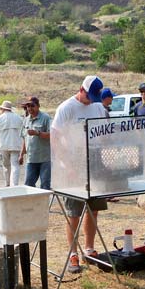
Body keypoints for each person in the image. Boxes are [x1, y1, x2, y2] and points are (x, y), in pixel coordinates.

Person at [52, 75, 108, 273]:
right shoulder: (66, 108)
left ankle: (89, 249)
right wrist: (67, 166)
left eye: (95, 96)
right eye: (89, 96)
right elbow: (55, 139)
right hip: (72, 163)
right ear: (81, 89)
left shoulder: (98, 106)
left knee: (93, 210)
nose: (91, 100)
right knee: (73, 213)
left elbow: (104, 133)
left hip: (94, 162)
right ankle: (73, 255)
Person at [18, 96, 51, 190]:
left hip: (44, 159)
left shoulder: (46, 118)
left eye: (32, 106)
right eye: (28, 106)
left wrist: (37, 133)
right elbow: (25, 138)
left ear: (38, 106)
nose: (30, 108)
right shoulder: (26, 120)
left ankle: (44, 204)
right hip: (31, 159)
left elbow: (52, 135)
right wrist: (21, 155)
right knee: (28, 185)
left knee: (45, 185)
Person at [0, 100, 24, 187]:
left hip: (3, 145)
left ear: (2, 109)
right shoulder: (19, 118)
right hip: (16, 144)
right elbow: (23, 134)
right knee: (15, 165)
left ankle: (7, 183)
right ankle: (14, 185)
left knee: (6, 166)